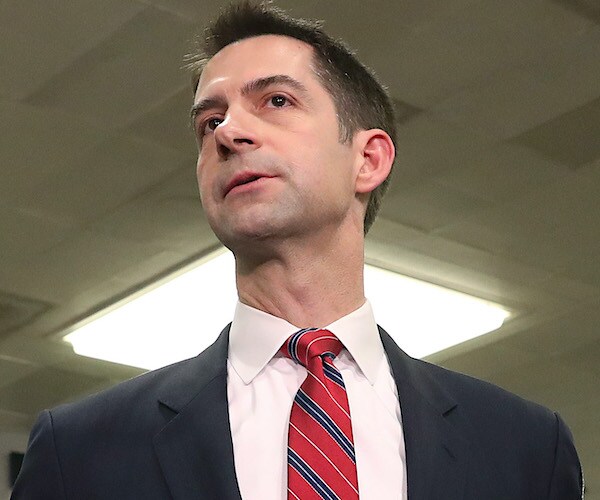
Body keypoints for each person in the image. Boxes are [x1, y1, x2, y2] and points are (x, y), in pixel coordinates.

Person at [12, 2, 583, 499]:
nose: (228, 132)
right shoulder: (79, 449)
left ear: (368, 160)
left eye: (277, 100)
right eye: (209, 121)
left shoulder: (527, 446)